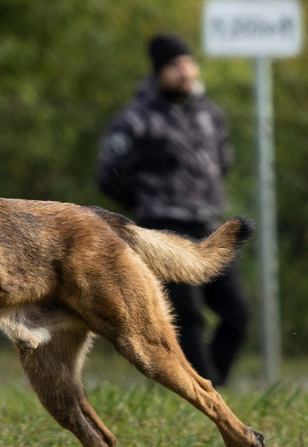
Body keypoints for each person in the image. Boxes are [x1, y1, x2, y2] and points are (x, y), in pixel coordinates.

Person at [96, 32, 251, 385]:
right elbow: (108, 174)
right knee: (186, 316)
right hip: (163, 227)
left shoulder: (209, 114)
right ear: (158, 72)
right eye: (175, 66)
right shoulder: (136, 118)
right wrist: (148, 206)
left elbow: (223, 162)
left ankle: (212, 386)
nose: (185, 72)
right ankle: (202, 391)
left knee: (236, 313)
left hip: (208, 225)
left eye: (188, 63)